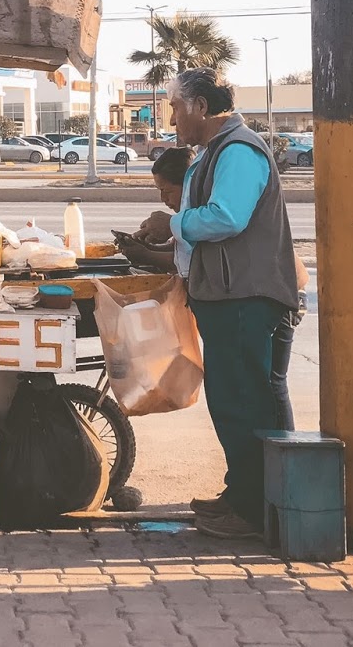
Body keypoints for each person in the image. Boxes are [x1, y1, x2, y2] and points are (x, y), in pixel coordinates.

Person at [156, 67, 300, 539]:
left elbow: (226, 217)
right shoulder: (213, 151)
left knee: (248, 401)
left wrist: (173, 224)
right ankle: (242, 494)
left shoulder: (237, 150)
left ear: (200, 106)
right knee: (233, 400)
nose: (172, 116)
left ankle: (260, 509)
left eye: (176, 106)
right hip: (226, 295)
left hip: (247, 297)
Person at [120, 147, 306, 432]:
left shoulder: (208, 204)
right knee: (255, 386)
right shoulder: (191, 213)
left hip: (277, 292)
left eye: (166, 191)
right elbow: (182, 253)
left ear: (187, 186)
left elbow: (193, 258)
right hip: (259, 291)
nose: (163, 199)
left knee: (271, 383)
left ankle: (281, 461)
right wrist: (147, 245)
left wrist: (147, 252)